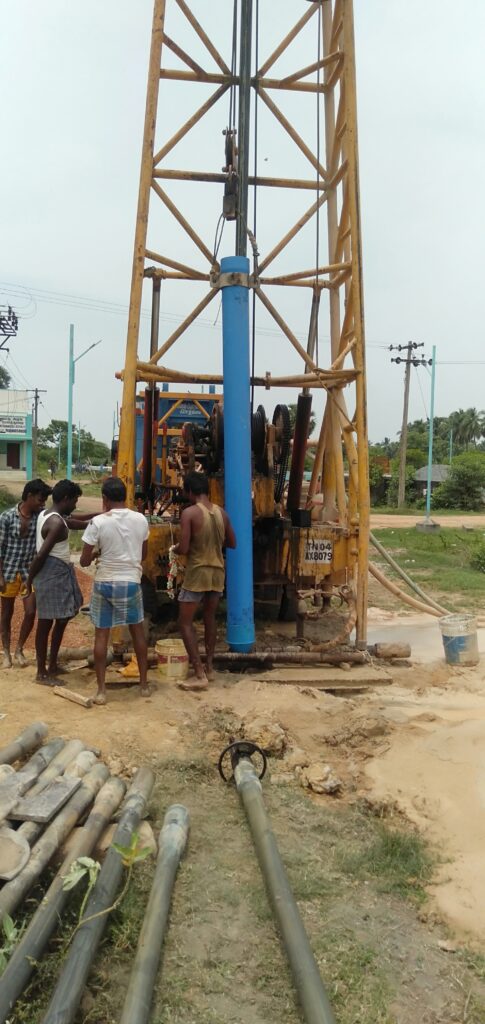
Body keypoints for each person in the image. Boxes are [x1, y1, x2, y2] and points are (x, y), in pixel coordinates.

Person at [80, 476, 150, 705]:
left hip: (105, 582)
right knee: (138, 632)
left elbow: (83, 561)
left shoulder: (98, 522)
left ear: (105, 498)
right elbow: (143, 554)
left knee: (102, 635)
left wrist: (97, 555)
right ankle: (144, 685)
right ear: (125, 495)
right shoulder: (141, 520)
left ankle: (101, 691)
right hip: (130, 581)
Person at [173, 471, 236, 691]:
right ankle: (209, 666)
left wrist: (175, 549)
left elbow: (184, 547)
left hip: (198, 572)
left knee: (185, 621)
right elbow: (233, 543)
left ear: (190, 492)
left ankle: (198, 673)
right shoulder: (222, 513)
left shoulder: (189, 513)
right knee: (210, 617)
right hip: (217, 571)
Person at [26, 480, 91, 684]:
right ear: (66, 499)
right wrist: (29, 582)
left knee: (62, 619)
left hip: (59, 573)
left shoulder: (50, 515)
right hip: (51, 574)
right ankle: (41, 672)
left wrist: (100, 518)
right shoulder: (55, 523)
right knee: (45, 622)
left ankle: (53, 664)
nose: (75, 504)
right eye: (75, 500)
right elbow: (40, 556)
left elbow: (75, 522)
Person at [0, 478, 52, 668]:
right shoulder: (6, 517)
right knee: (6, 614)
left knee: (30, 612)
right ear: (29, 496)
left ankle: (19, 649)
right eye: (40, 499)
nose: (42, 503)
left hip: (29, 573)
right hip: (9, 571)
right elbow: (0, 548)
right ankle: (6, 653)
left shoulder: (40, 517)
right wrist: (0, 576)